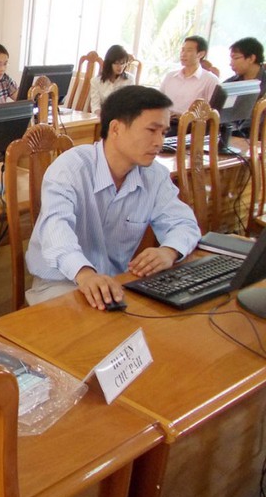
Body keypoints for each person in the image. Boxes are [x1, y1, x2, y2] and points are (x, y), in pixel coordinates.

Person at [25, 85, 201, 310]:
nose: (159, 142)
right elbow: (56, 232)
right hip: (61, 283)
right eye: (151, 130)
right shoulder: (70, 169)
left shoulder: (154, 175)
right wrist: (86, 274)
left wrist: (169, 251)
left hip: (116, 283)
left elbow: (184, 223)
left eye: (164, 132)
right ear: (116, 128)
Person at [160, 35, 220, 116]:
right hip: (165, 120)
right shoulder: (170, 76)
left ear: (201, 54)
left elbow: (213, 113)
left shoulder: (210, 80)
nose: (183, 54)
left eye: (189, 51)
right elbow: (158, 101)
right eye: (182, 50)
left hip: (191, 122)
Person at [89, 45, 135, 115]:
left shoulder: (129, 79)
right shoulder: (95, 81)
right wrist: (103, 117)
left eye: (123, 63)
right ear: (109, 63)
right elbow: (95, 106)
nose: (120, 67)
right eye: (116, 63)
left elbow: (130, 105)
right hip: (103, 116)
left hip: (122, 116)